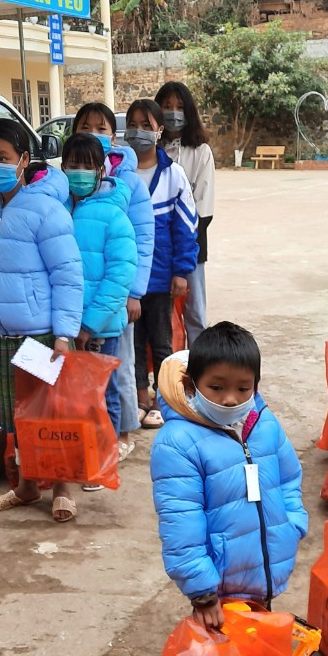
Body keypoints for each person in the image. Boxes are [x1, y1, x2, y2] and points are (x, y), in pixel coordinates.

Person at [0, 119, 84, 522]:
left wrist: (64, 334)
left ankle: (62, 487)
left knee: (48, 417)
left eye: (2, 158)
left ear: (23, 161)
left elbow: (67, 273)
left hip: (38, 335)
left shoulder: (46, 210)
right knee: (15, 418)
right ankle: (28, 486)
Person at [150, 323, 308, 631]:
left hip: (266, 568)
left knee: (258, 649)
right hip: (219, 586)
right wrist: (202, 590)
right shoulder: (178, 442)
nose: (231, 399)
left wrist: (293, 523)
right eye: (217, 387)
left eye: (243, 388)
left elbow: (289, 477)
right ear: (192, 384)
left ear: (256, 386)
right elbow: (180, 521)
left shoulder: (264, 423)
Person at [73, 102, 155, 461]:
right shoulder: (68, 179)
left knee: (117, 367)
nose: (93, 134)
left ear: (113, 135)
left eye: (101, 128)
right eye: (85, 127)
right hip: (79, 299)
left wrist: (135, 291)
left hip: (115, 295)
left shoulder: (127, 183)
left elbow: (142, 237)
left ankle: (120, 435)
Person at [61, 132, 138, 490]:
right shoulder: (60, 210)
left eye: (86, 166)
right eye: (71, 165)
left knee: (103, 396)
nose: (78, 172)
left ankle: (101, 462)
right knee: (74, 399)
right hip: (65, 325)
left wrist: (90, 324)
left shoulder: (114, 217)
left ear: (100, 170)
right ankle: (81, 456)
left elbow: (118, 279)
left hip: (100, 328)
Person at [125, 99, 198, 430]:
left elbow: (186, 228)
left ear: (159, 130)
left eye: (146, 125)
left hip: (162, 277)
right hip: (127, 279)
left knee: (163, 340)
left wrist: (182, 271)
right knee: (134, 342)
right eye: (133, 124)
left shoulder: (174, 174)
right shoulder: (118, 174)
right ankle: (140, 398)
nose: (139, 132)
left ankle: (163, 398)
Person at [155, 81, 215, 345]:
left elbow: (204, 208)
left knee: (195, 315)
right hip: (155, 247)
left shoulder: (201, 152)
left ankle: (198, 373)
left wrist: (183, 249)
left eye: (179, 107)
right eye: (166, 106)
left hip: (191, 246)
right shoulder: (149, 152)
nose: (173, 113)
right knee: (158, 315)